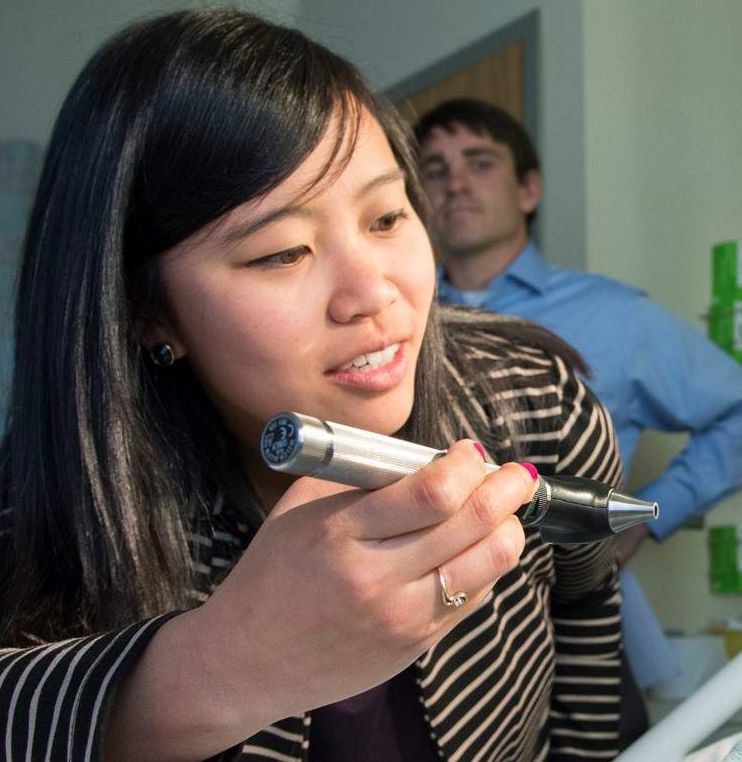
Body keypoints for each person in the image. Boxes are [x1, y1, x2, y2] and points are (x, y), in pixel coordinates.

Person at [0, 12, 624, 761]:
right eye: (281, 252)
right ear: (149, 313)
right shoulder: (51, 500)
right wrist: (217, 667)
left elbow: (588, 601)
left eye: (388, 216)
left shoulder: (537, 404)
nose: (372, 293)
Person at [414, 97, 742, 739]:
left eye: (478, 162)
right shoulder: (393, 317)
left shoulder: (617, 318)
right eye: (434, 168)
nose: (454, 181)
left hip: (573, 632)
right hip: (417, 635)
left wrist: (649, 516)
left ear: (528, 188)